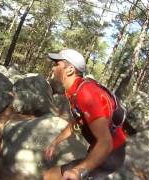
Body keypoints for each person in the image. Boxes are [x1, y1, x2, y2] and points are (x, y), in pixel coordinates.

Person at [43, 49, 127, 180]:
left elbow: (106, 143)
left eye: (56, 64)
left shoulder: (85, 93)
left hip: (110, 154)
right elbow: (76, 123)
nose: (53, 68)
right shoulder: (75, 91)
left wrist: (78, 171)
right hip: (98, 149)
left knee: (51, 177)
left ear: (70, 70)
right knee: (49, 176)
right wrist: (55, 143)